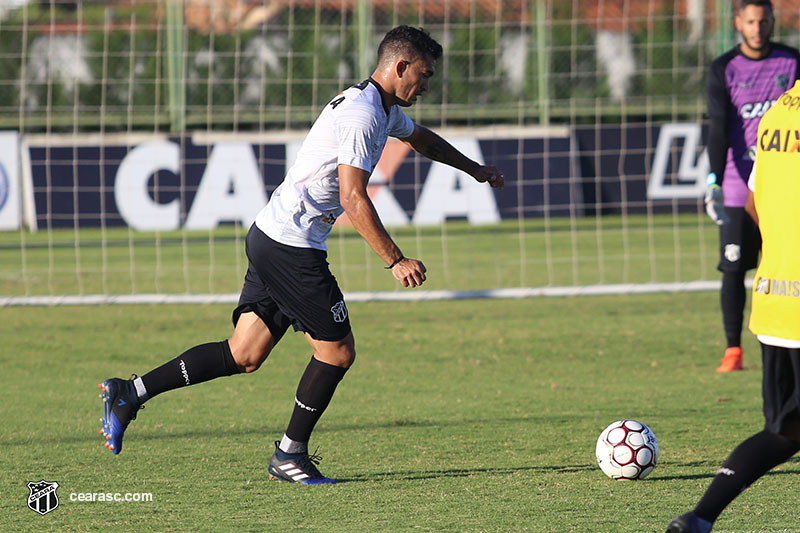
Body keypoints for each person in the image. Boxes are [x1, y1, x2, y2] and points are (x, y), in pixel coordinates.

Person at [97, 25, 504, 484]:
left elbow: (421, 139)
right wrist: (395, 259)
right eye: (424, 75)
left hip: (272, 235)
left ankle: (131, 392)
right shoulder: (362, 116)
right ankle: (290, 454)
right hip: (291, 246)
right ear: (400, 66)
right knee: (337, 352)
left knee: (244, 353)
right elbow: (353, 198)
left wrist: (474, 169)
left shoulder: (382, 107)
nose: (427, 86)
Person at [666, 81, 800, 532]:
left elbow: (756, 203)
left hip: (775, 299)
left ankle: (700, 518)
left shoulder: (780, 111)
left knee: (785, 430)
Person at [703, 0, 799, 372]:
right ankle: (733, 349)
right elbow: (718, 128)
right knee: (733, 266)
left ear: (773, 22)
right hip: (737, 183)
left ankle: (783, 340)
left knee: (786, 265)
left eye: (763, 21)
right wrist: (713, 180)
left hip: (785, 186)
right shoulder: (724, 68)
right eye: (750, 21)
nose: (757, 28)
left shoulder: (792, 62)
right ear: (738, 23)